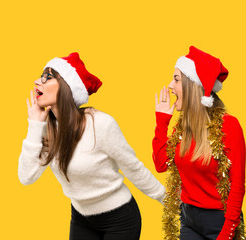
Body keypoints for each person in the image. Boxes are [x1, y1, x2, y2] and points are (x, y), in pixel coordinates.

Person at [18, 52, 165, 240]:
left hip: (120, 219)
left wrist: (168, 200)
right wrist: (35, 125)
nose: (37, 82)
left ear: (66, 86)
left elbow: (133, 168)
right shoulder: (48, 129)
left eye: (47, 77)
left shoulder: (100, 124)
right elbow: (27, 177)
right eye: (40, 76)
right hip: (81, 218)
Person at [152, 46, 246, 240]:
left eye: (176, 79)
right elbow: (161, 164)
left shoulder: (228, 126)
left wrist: (228, 231)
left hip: (219, 221)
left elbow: (237, 185)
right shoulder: (182, 128)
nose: (170, 86)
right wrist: (162, 121)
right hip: (189, 219)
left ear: (193, 85)